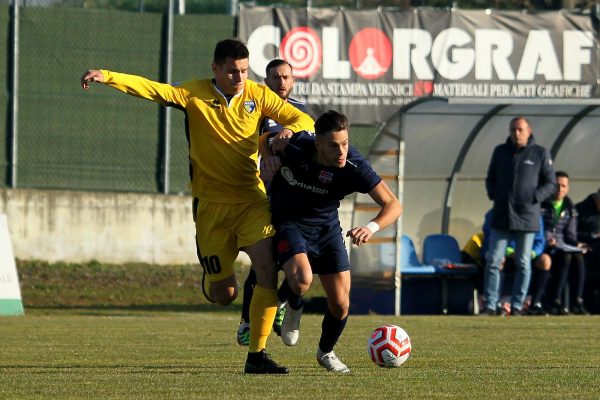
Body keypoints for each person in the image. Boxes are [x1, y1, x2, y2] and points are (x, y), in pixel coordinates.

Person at [80, 38, 314, 374]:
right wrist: (108, 75)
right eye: (232, 71)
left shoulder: (258, 95)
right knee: (225, 293)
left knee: (267, 267)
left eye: (245, 71)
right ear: (215, 69)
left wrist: (288, 130)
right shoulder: (193, 93)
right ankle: (212, 278)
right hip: (211, 209)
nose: (239, 77)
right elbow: (153, 89)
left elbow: (303, 119)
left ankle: (256, 356)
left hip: (251, 200)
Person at [262, 110, 402, 372]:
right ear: (318, 143)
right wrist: (270, 153)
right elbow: (265, 140)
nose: (341, 151)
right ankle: (293, 304)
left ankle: (325, 352)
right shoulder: (297, 146)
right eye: (333, 145)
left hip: (327, 229)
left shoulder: (354, 165)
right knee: (302, 279)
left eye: (345, 143)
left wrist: (371, 227)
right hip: (290, 222)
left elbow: (393, 205)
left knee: (340, 303)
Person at [237, 59, 309, 346]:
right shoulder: (253, 109)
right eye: (276, 77)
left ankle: (281, 304)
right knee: (263, 261)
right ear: (265, 81)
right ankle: (247, 321)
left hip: (294, 199)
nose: (282, 82)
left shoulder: (300, 113)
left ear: (293, 80)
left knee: (302, 260)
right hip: (261, 197)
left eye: (287, 77)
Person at [482, 116, 556, 316]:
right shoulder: (500, 151)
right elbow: (491, 178)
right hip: (502, 215)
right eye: (513, 129)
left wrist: (534, 197)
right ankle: (490, 305)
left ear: (528, 131)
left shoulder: (540, 153)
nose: (516, 133)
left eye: (520, 129)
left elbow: (551, 183)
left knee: (523, 261)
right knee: (494, 260)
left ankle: (517, 306)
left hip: (527, 216)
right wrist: (494, 194)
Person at [531, 171, 589, 315]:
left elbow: (570, 234)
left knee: (578, 257)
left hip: (561, 247)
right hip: (543, 247)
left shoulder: (570, 208)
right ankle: (555, 301)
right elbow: (536, 227)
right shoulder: (540, 204)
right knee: (565, 257)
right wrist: (548, 239)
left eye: (563, 186)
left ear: (568, 188)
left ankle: (577, 301)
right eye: (557, 185)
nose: (560, 189)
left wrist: (577, 244)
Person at [576, 187, 600, 268]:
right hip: (585, 250)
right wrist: (593, 235)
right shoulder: (579, 210)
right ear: (596, 198)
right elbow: (571, 234)